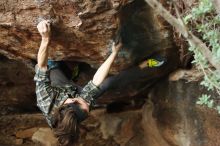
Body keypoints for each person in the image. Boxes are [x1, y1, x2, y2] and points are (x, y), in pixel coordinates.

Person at [34, 20, 165, 146]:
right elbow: (96, 82)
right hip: (71, 92)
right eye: (87, 108)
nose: (89, 104)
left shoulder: (45, 100)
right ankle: (145, 65)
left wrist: (45, 38)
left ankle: (73, 72)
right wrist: (114, 53)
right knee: (108, 84)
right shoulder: (80, 112)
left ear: (72, 101)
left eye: (85, 104)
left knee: (51, 64)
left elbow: (42, 66)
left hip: (56, 82)